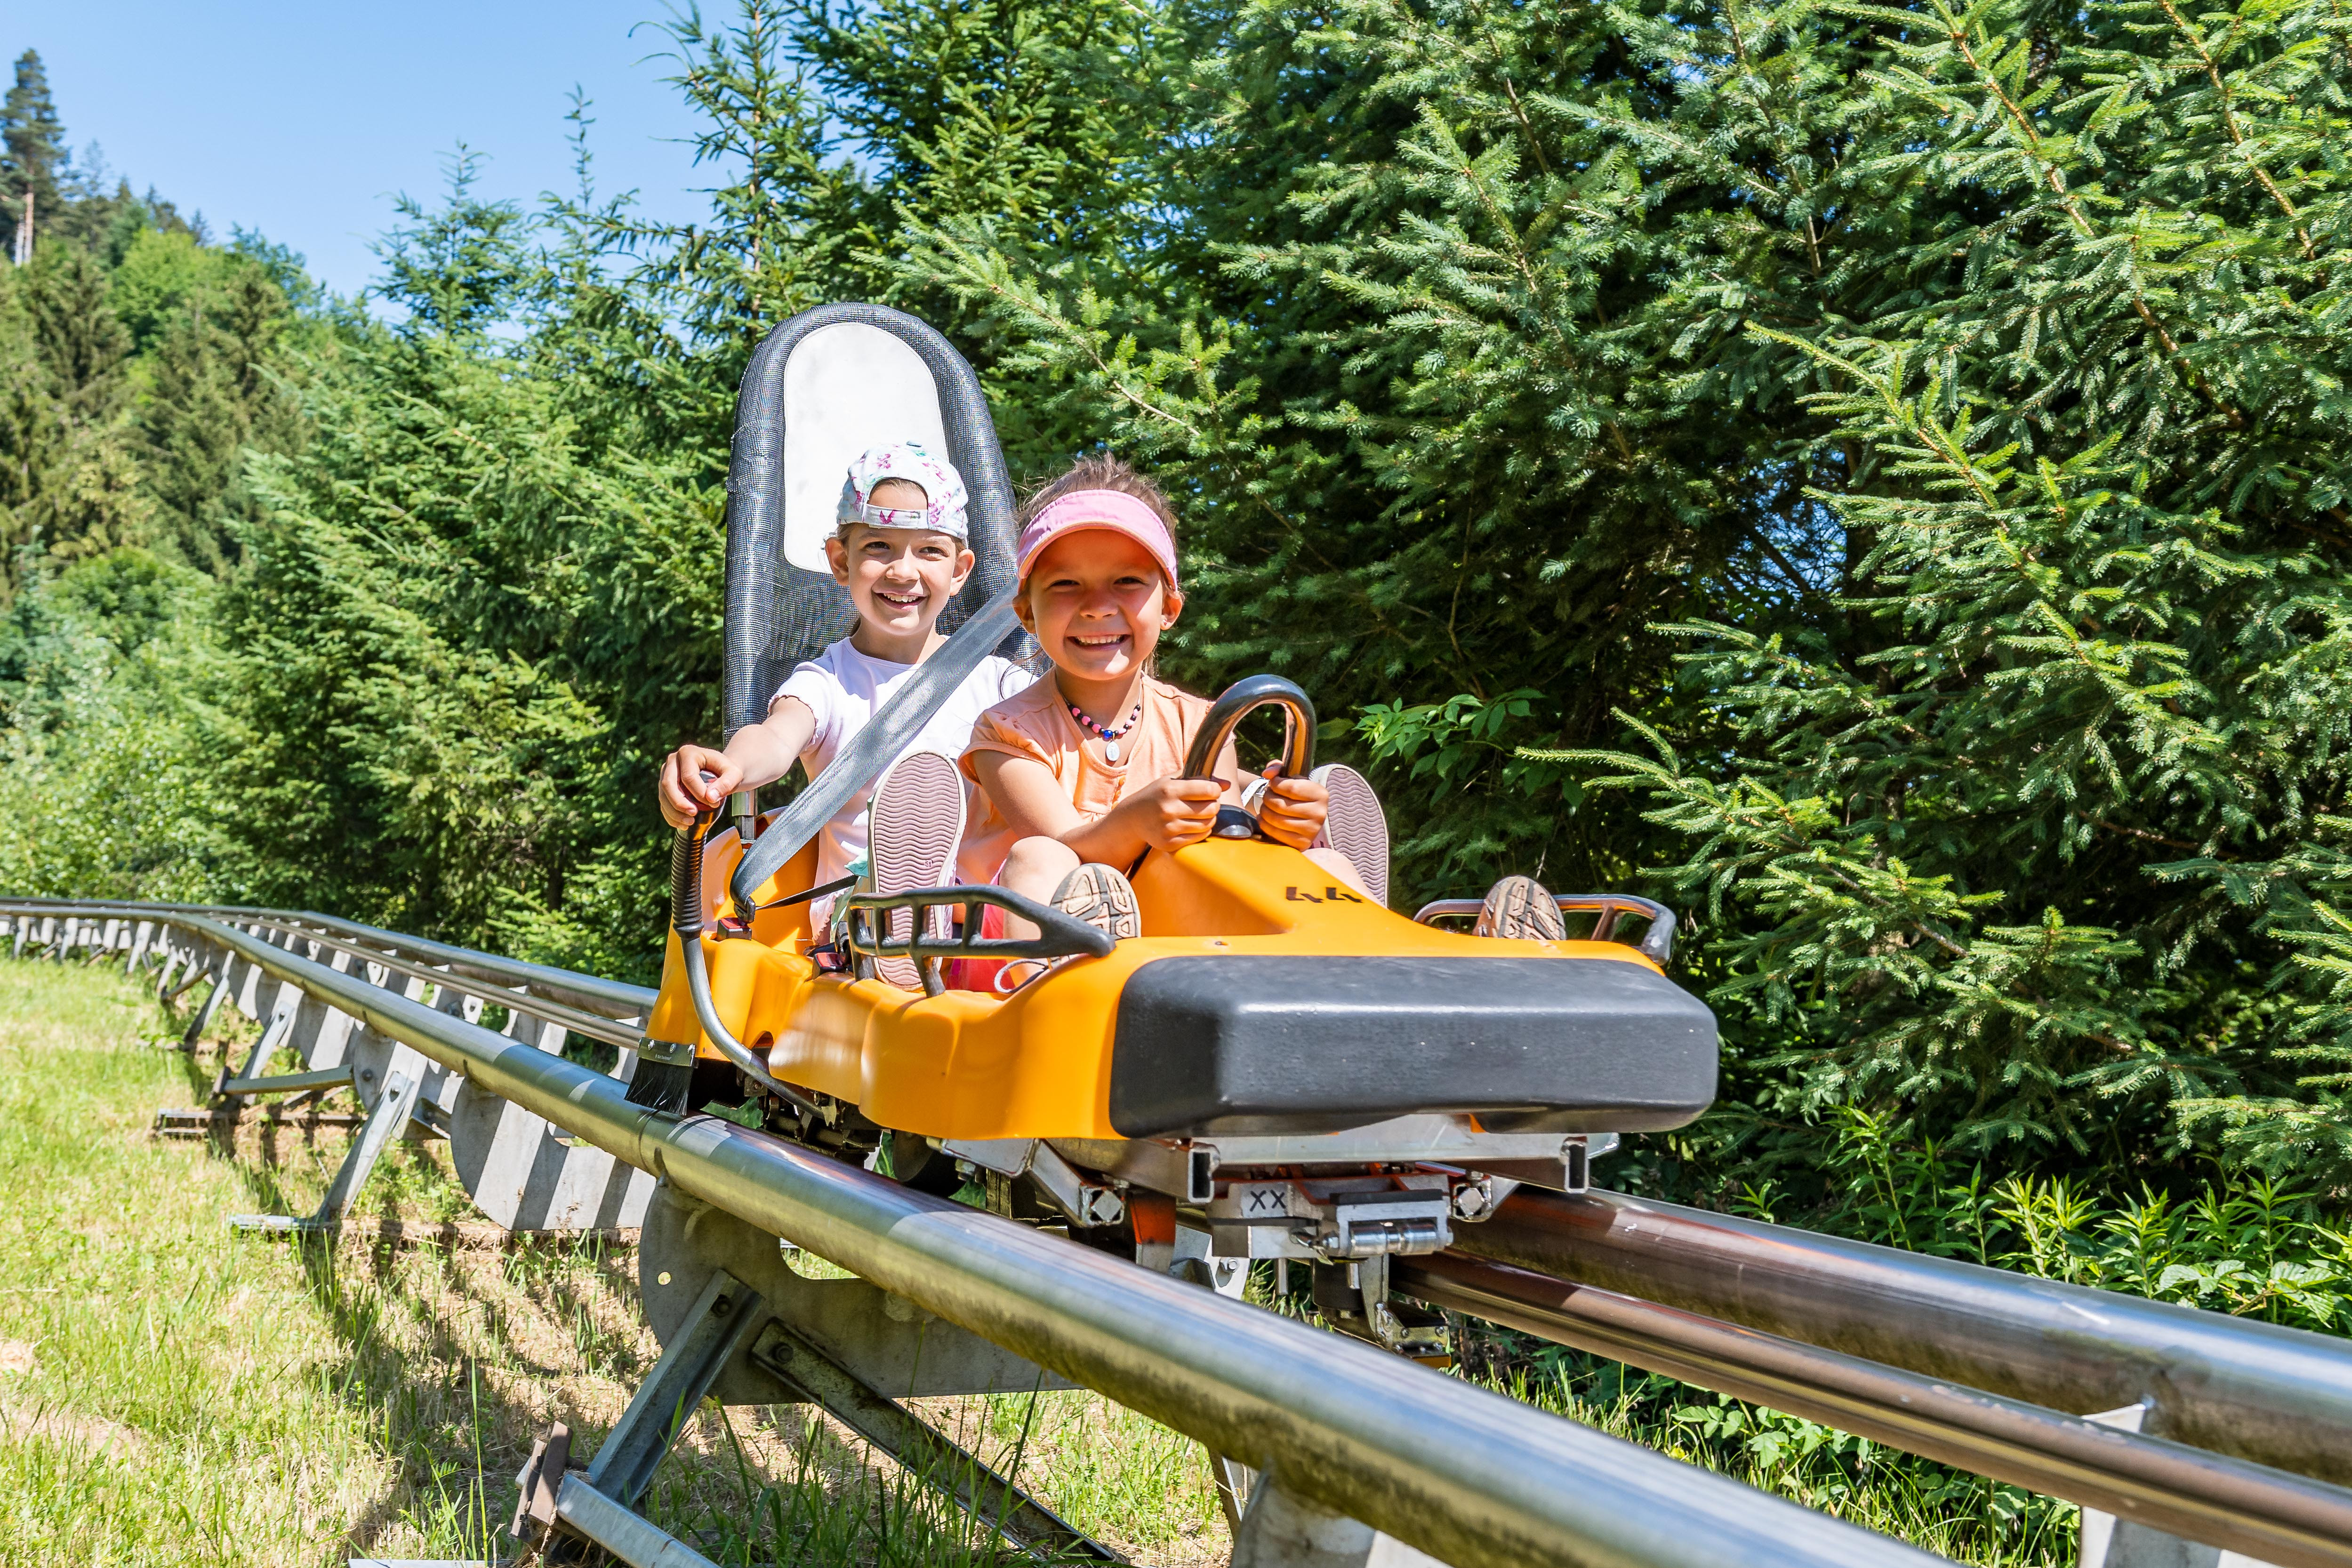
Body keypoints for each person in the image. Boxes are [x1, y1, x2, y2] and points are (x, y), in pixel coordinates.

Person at [958, 455, 1368, 955]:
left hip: (1171, 936)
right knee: (1042, 856)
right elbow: (1066, 848)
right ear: (1026, 612)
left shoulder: (1203, 726)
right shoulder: (1007, 733)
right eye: (1065, 584)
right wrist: (1135, 821)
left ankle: (1389, 971)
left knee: (1327, 867)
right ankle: (1053, 999)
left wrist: (1279, 828)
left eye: (1127, 582)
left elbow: (1223, 857)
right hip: (1008, 955)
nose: (1097, 606)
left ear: (1169, 608)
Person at [656, 442, 1031, 901]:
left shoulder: (1000, 685)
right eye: (879, 547)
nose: (903, 571)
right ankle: (893, 913)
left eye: (929, 551)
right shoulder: (828, 683)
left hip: (982, 934)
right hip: (853, 939)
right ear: (840, 561)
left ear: (959, 571)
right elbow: (775, 739)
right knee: (881, 910)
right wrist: (729, 768)